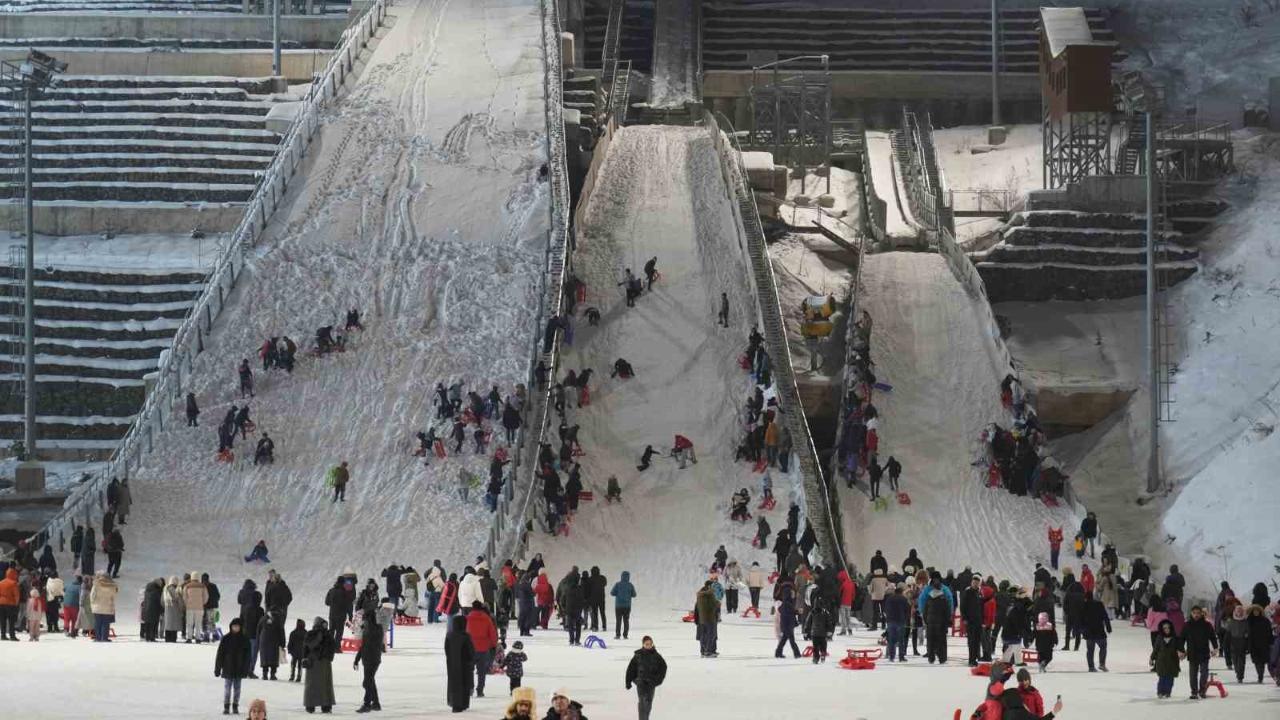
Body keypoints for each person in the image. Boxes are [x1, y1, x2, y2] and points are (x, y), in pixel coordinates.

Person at [215, 617, 253, 715]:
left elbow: (248, 657)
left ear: (241, 627)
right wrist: (218, 668)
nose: (235, 628)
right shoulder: (226, 639)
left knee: (237, 689)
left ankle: (235, 705)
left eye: (237, 626)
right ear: (231, 627)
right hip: (228, 668)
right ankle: (226, 706)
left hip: (239, 669)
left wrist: (247, 669)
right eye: (234, 626)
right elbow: (220, 654)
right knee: (227, 689)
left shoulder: (245, 640)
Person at [625, 636, 667, 720]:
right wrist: (628, 681)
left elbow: (663, 668)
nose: (648, 646)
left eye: (650, 644)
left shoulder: (656, 656)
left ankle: (645, 718)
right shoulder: (638, 655)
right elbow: (631, 669)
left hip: (651, 683)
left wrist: (658, 680)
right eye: (646, 644)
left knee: (648, 703)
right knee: (642, 702)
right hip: (641, 682)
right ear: (643, 644)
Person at [1183, 605, 1218, 698]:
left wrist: (1215, 648)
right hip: (1192, 653)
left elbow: (1213, 637)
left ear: (1201, 614)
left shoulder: (1207, 625)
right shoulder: (1187, 625)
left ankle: (1202, 690)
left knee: (1204, 673)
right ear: (1191, 613)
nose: (1196, 615)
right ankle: (1194, 692)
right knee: (1193, 675)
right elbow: (1181, 638)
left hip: (1204, 653)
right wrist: (1181, 650)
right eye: (1194, 613)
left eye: (1198, 613)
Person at [302, 617, 336, 713]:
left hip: (314, 662)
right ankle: (325, 706)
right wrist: (329, 657)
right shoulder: (326, 635)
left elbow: (305, 647)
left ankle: (311, 705)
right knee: (324, 685)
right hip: (322, 662)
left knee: (312, 685)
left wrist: (304, 658)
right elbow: (332, 647)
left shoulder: (311, 634)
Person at [465, 601, 498, 697]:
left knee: (469, 670)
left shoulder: (467, 618)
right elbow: (492, 633)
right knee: (481, 672)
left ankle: (470, 688)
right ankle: (480, 690)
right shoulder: (486, 618)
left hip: (470, 648)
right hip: (483, 648)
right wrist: (493, 644)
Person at [352, 615, 384, 713]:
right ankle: (376, 703)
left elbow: (368, 645)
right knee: (370, 681)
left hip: (372, 660)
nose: (363, 622)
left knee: (367, 682)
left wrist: (365, 629)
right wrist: (357, 660)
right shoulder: (369, 630)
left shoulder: (374, 631)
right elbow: (363, 646)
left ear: (369, 620)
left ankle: (367, 704)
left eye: (364, 620)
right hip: (368, 659)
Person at [444, 614, 475, 713]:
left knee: (454, 684)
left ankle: (455, 703)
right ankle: (463, 703)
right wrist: (471, 661)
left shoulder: (449, 635)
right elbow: (470, 651)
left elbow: (446, 649)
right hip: (465, 664)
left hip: (452, 664)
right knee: (464, 683)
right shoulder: (465, 636)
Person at [1150, 619, 1184, 698]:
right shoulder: (1159, 638)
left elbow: (1180, 648)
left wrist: (1182, 653)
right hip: (1161, 661)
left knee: (1170, 678)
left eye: (1168, 628)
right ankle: (1160, 692)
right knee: (1162, 678)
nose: (1167, 629)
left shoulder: (1175, 638)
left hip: (1173, 661)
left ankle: (1167, 692)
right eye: (1165, 628)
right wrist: (1151, 658)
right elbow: (1155, 649)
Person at [1082, 589, 1112, 672]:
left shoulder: (1084, 605)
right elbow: (1105, 616)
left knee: (1090, 650)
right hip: (1099, 630)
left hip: (1089, 631)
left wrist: (1081, 630)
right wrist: (1108, 627)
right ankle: (1102, 664)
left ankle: (1091, 667)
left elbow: (1081, 619)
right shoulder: (1099, 604)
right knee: (1103, 647)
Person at [89, 571, 118, 642]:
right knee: (106, 623)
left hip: (97, 607)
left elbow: (92, 596)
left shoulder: (96, 584)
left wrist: (93, 603)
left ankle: (97, 638)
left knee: (97, 622)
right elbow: (114, 596)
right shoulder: (112, 585)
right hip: (107, 606)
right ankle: (104, 638)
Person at [694, 580, 719, 657]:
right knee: (710, 635)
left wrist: (696, 618)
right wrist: (717, 604)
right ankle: (709, 651)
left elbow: (696, 607)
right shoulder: (709, 594)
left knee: (703, 635)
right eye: (713, 586)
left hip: (701, 619)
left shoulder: (700, 595)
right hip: (710, 618)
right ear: (709, 586)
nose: (714, 588)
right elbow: (710, 607)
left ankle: (703, 651)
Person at [610, 570, 636, 640]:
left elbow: (612, 593)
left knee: (618, 621)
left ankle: (618, 635)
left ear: (621, 576)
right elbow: (634, 595)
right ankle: (625, 635)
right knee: (626, 621)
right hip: (627, 606)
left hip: (618, 606)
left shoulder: (617, 584)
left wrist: (618, 594)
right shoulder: (630, 585)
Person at [287, 618, 307, 683]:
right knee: (300, 665)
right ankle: (298, 676)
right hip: (302, 652)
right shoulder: (306, 633)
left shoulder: (293, 633)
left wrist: (289, 650)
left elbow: (290, 643)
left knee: (293, 664)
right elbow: (307, 644)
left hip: (294, 652)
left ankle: (292, 676)